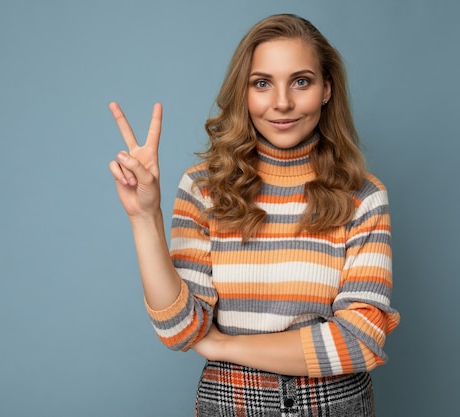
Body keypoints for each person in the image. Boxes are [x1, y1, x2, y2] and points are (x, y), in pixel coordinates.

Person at [108, 13, 399, 417]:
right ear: (244, 94)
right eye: (262, 83)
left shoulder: (363, 196)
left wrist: (224, 345)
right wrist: (144, 216)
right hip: (231, 402)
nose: (282, 102)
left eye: (301, 81)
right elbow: (180, 329)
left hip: (334, 404)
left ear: (327, 89)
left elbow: (360, 341)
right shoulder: (203, 188)